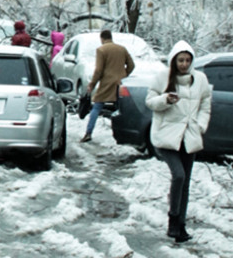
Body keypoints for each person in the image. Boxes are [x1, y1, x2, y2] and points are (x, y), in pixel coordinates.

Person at [144, 41, 212, 244]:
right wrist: (165, 99)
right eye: (180, 60)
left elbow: (206, 105)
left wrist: (200, 125)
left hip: (189, 136)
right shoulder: (163, 77)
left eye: (187, 60)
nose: (184, 64)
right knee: (179, 176)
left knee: (186, 182)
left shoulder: (200, 79)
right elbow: (150, 102)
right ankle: (173, 219)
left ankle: (180, 226)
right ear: (174, 60)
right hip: (166, 137)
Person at [81, 29, 134, 143]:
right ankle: (125, 134)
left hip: (106, 84)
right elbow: (131, 65)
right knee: (121, 108)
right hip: (121, 84)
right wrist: (124, 75)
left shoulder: (101, 50)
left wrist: (92, 84)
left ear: (102, 38)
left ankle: (89, 132)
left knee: (97, 106)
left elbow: (98, 70)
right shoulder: (122, 49)